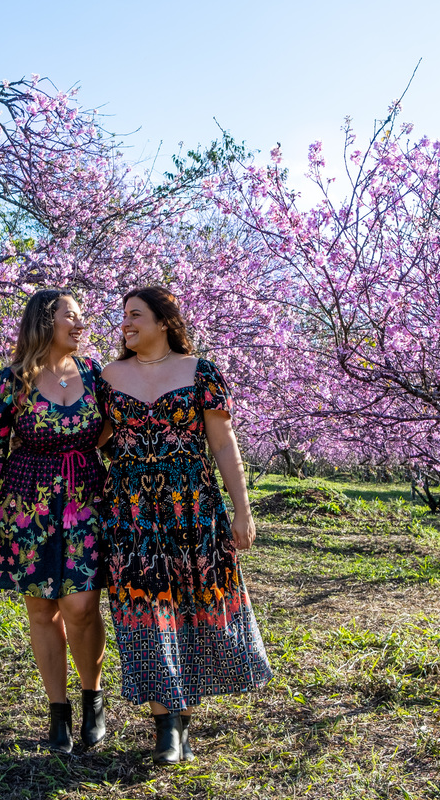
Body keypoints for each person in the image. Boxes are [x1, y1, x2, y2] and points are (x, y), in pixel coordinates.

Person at [100, 286, 272, 765]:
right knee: (145, 610)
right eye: (124, 317)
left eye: (136, 315)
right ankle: (166, 729)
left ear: (163, 321)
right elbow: (87, 435)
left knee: (195, 606)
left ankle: (184, 719)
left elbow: (222, 443)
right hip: (131, 514)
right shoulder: (108, 377)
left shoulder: (200, 372)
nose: (126, 324)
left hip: (193, 509)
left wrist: (242, 510)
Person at [0, 288, 109, 753]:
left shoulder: (94, 373)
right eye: (72, 316)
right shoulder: (12, 381)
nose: (80, 324)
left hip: (86, 498)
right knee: (42, 609)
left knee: (82, 607)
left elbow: (111, 429)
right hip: (27, 505)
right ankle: (58, 714)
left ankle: (93, 700)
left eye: (81, 316)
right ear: (46, 322)